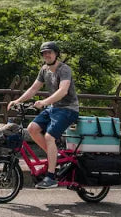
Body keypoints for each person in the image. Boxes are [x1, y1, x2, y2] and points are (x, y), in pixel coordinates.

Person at [8, 41, 80, 189]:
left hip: (68, 109)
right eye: (44, 53)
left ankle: (51, 176)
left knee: (49, 137)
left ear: (56, 54)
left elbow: (63, 91)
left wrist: (44, 102)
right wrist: (18, 100)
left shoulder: (64, 69)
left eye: (49, 52)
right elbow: (34, 88)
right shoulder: (44, 69)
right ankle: (57, 157)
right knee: (33, 128)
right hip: (53, 108)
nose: (46, 55)